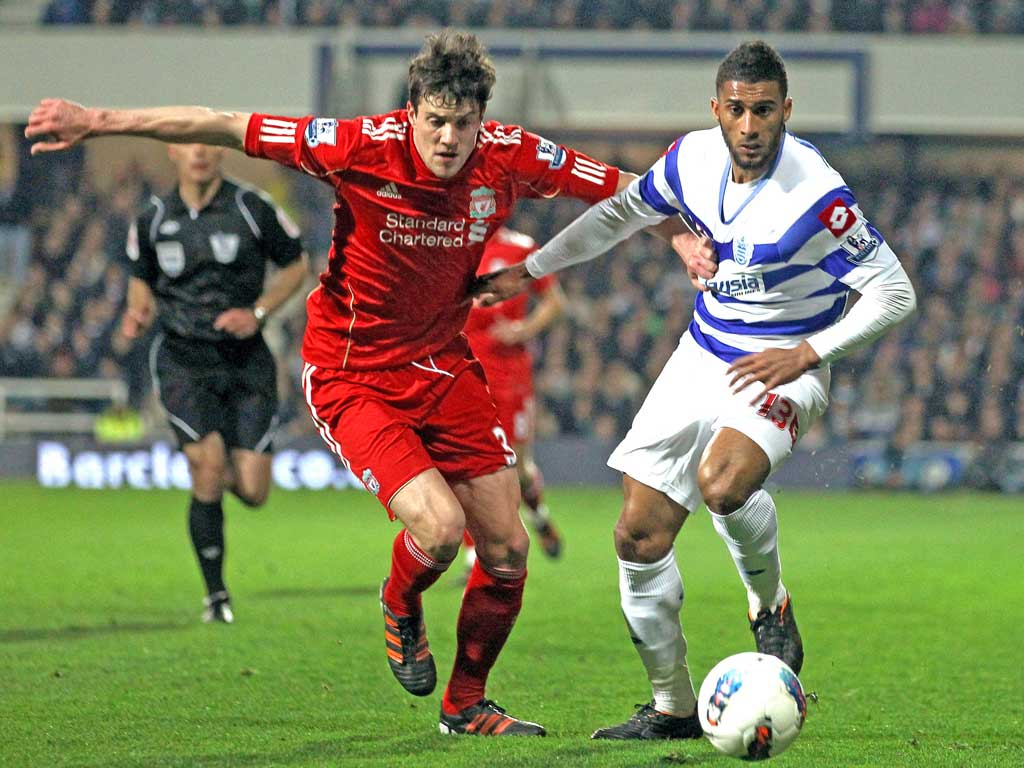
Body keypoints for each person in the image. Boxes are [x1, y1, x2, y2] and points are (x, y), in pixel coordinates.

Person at [26, 31, 665, 735]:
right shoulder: (356, 145)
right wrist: (101, 122)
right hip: (353, 372)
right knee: (442, 530)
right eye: (436, 121)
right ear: (413, 108)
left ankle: (465, 705)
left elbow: (618, 188)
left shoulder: (508, 154)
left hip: (444, 363)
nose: (449, 138)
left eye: (464, 123)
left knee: (509, 550)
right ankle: (400, 603)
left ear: (483, 119)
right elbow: (223, 123)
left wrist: (684, 232)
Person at [475, 40, 917, 740]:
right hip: (702, 354)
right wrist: (530, 270)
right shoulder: (690, 159)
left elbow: (894, 292)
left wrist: (806, 351)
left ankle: (768, 605)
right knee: (637, 535)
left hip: (785, 363)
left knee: (722, 483)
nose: (749, 126)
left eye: (764, 111)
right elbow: (620, 215)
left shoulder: (817, 195)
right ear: (717, 109)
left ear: (786, 111)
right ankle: (672, 707)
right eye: (737, 110)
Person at [123, 142, 308, 623]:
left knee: (253, 489)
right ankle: (216, 597)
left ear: (222, 152)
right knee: (206, 469)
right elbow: (139, 276)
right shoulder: (153, 216)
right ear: (172, 152)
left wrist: (260, 313)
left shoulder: (252, 208)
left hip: (246, 361)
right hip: (183, 358)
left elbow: (296, 264)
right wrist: (138, 308)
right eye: (189, 144)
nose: (200, 151)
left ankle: (215, 463)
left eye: (208, 142)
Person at [461, 226, 566, 575]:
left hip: (509, 375)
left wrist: (525, 329)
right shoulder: (453, 240)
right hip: (462, 371)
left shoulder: (521, 247)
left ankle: (539, 516)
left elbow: (554, 301)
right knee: (466, 464)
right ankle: (475, 556)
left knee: (516, 472)